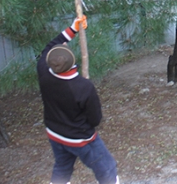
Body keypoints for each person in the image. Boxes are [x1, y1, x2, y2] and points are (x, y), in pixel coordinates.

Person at [37, 15, 119, 184]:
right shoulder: (83, 87)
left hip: (55, 134)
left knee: (62, 167)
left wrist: (72, 29)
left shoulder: (43, 71)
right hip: (80, 139)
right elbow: (95, 119)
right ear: (72, 62)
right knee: (107, 169)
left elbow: (50, 47)